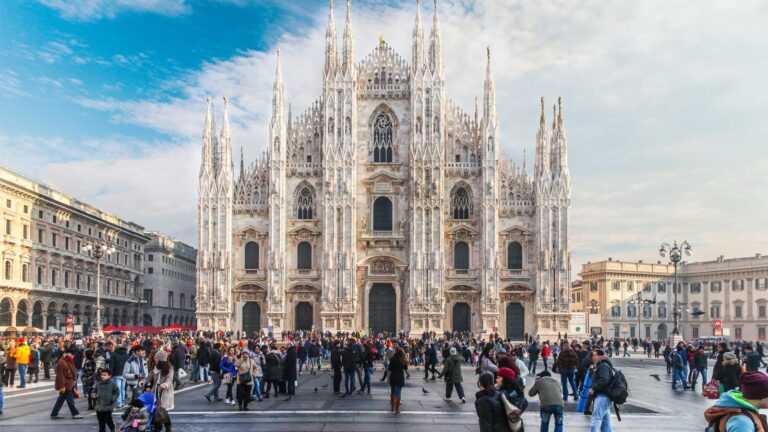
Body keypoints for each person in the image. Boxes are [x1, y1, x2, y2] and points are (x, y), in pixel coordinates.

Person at [50, 352, 83, 419]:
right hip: (66, 385)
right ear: (66, 354)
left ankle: (54, 413)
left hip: (68, 383)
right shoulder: (62, 362)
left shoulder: (68, 361)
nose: (72, 356)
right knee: (70, 400)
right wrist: (62, 386)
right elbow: (60, 375)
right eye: (71, 354)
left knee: (60, 400)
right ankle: (75, 413)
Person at [588, 349, 614, 432]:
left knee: (596, 418)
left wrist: (594, 388)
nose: (593, 357)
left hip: (602, 396)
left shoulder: (603, 366)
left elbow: (604, 379)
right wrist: (592, 370)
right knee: (606, 421)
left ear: (600, 356)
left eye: (595, 355)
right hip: (605, 396)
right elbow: (598, 377)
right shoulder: (602, 365)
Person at [93, 368, 118, 432]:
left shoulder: (112, 384)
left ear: (109, 376)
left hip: (108, 406)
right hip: (99, 405)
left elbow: (116, 392)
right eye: (102, 375)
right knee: (101, 421)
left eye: (105, 375)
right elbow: (94, 391)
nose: (103, 376)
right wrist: (93, 395)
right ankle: (102, 430)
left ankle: (112, 428)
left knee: (108, 419)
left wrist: (113, 399)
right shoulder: (98, 383)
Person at [387, 347, 408, 414]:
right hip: (400, 377)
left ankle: (392, 407)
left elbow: (389, 368)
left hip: (393, 376)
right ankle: (397, 409)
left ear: (395, 352)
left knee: (392, 391)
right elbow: (406, 368)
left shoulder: (392, 359)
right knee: (398, 392)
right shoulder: (403, 359)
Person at [110, 342, 129, 408]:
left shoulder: (114, 355)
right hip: (124, 374)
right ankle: (123, 401)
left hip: (116, 373)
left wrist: (110, 374)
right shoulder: (126, 355)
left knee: (118, 388)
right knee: (123, 388)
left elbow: (111, 365)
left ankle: (119, 403)